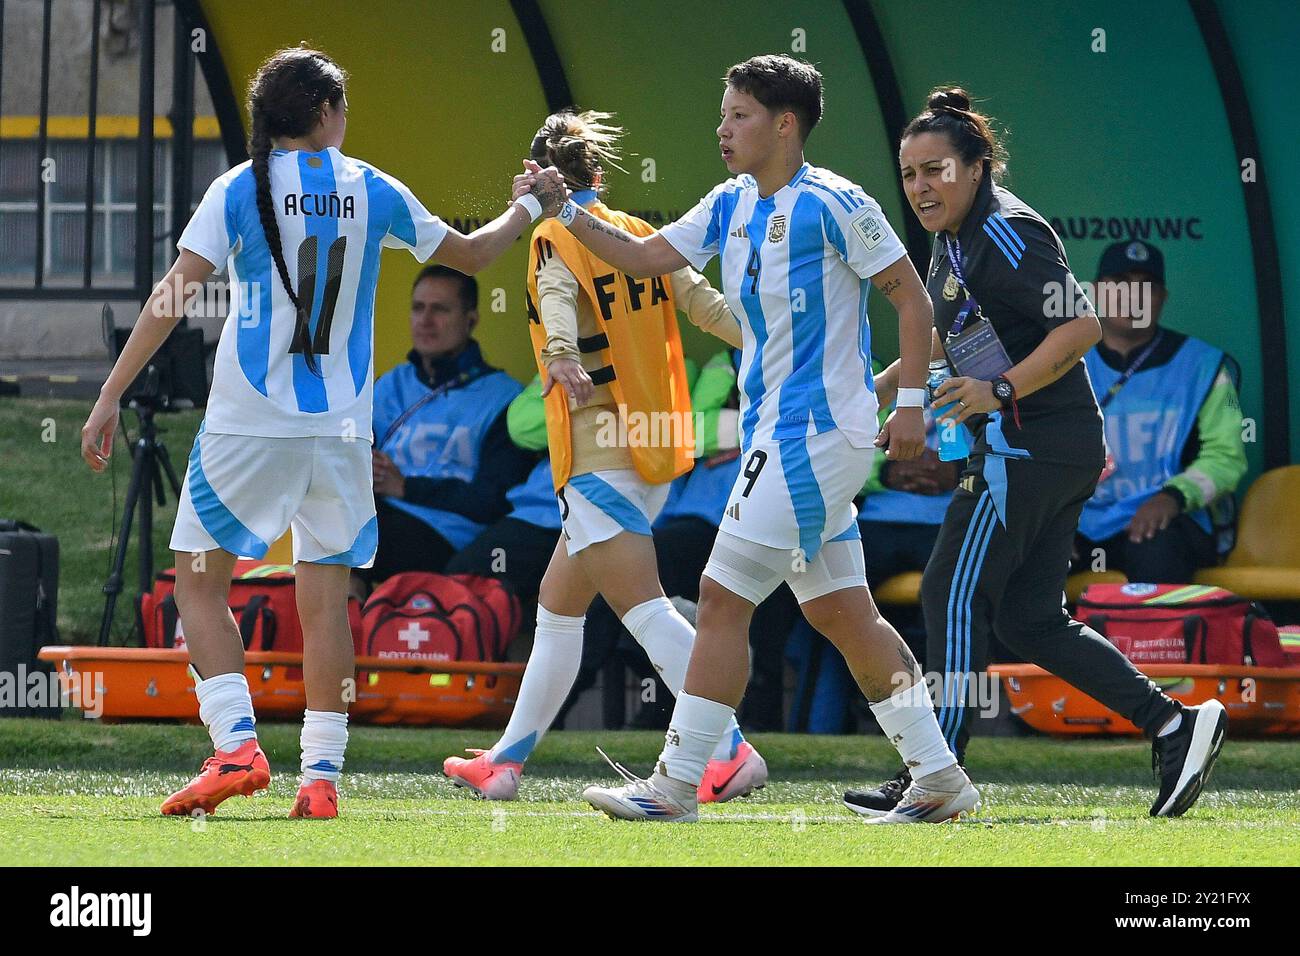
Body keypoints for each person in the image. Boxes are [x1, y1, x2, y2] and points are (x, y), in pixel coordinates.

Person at [79, 46, 563, 820]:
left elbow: (172, 298)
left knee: (199, 585)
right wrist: (532, 203)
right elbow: (473, 254)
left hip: (246, 427)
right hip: (340, 434)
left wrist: (110, 394)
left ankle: (237, 747)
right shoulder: (370, 187)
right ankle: (322, 779)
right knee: (327, 603)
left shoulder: (238, 187)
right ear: (328, 114)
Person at [539, 55, 978, 825]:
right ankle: (940, 778)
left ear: (785, 123)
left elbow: (914, 304)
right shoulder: (728, 201)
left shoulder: (836, 202)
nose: (722, 128)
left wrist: (911, 405)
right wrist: (567, 211)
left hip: (813, 439)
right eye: (723, 114)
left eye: (738, 115)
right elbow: (644, 258)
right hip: (781, 436)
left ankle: (675, 786)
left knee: (718, 598)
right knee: (845, 615)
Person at [848, 88, 1226, 820]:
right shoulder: (955, 237)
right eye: (910, 174)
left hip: (1029, 447)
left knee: (948, 593)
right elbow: (932, 338)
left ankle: (937, 780)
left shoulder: (1009, 231)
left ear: (977, 167)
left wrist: (1000, 389)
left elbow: (1082, 327)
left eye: (936, 171)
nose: (921, 188)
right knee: (1028, 620)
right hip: (1044, 447)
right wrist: (872, 395)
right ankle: (1175, 726)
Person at [443, 109, 768, 804]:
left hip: (598, 444)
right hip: (650, 443)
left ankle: (732, 749)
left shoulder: (553, 231)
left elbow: (557, 299)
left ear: (535, 177)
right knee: (559, 608)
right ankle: (505, 760)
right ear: (600, 174)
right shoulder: (639, 233)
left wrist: (559, 356)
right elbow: (707, 305)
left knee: (645, 609)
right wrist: (778, 341)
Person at [356, 265, 533, 598]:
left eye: (440, 309)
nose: (425, 320)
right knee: (331, 523)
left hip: (449, 536)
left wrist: (407, 487)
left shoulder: (505, 398)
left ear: (471, 319)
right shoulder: (388, 384)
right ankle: (347, 629)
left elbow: (494, 501)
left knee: (349, 538)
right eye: (418, 308)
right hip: (381, 519)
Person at [1075, 240, 1246, 582]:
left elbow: (1227, 457)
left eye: (1146, 285)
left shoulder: (1205, 366)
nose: (1132, 295)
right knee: (1026, 559)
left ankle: (1156, 638)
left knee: (1155, 551)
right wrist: (1048, 524)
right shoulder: (1063, 362)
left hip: (1166, 519)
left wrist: (1172, 497)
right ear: (1095, 292)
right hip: (1082, 524)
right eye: (1119, 281)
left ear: (1163, 297)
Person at [444, 374, 564, 619]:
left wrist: (569, 406)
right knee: (466, 576)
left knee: (598, 606)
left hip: (622, 516)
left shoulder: (654, 356)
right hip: (543, 514)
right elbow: (524, 428)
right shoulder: (564, 352)